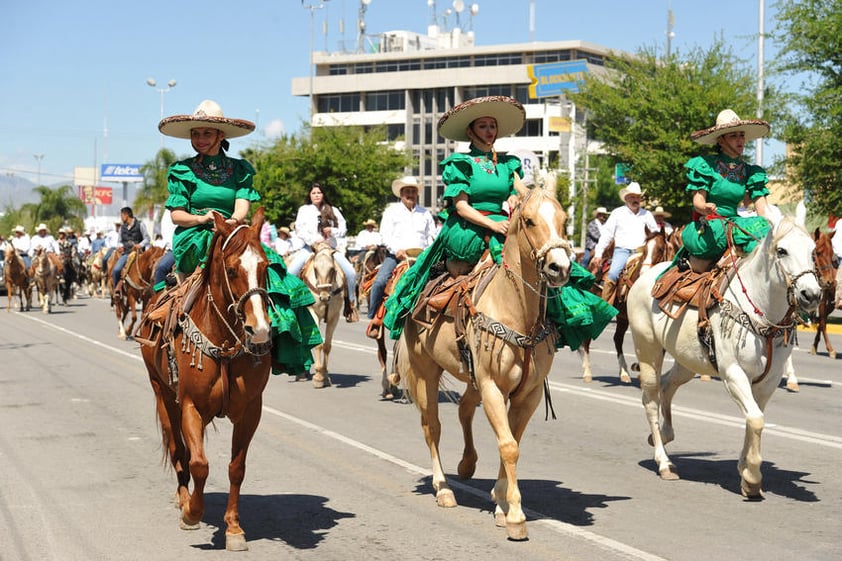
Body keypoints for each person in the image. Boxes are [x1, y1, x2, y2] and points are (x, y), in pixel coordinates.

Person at [383, 95, 616, 350]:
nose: (489, 131)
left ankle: (546, 326)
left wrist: (519, 200)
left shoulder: (507, 165)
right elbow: (461, 207)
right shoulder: (462, 163)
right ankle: (454, 321)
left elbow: (518, 193)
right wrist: (492, 225)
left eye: (492, 126)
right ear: (471, 132)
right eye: (482, 126)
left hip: (504, 224)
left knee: (537, 262)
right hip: (469, 227)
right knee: (483, 263)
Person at [157, 99, 321, 375]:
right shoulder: (182, 171)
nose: (199, 139)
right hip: (196, 234)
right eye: (195, 133)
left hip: (232, 231)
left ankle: (278, 335)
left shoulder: (240, 170)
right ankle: (167, 324)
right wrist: (203, 218)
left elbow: (243, 205)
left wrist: (232, 221)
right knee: (165, 269)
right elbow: (177, 215)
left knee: (271, 266)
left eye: (207, 133)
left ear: (221, 136)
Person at [677, 109, 773, 271]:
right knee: (723, 233)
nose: (740, 140)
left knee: (765, 229)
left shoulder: (752, 172)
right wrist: (705, 208)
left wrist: (768, 225)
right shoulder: (705, 165)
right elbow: (698, 202)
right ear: (721, 141)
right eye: (733, 136)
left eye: (741, 135)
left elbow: (762, 210)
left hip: (734, 223)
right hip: (711, 225)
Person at [367, 176, 435, 326]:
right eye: (407, 191)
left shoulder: (425, 213)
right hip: (397, 256)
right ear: (401, 194)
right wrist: (396, 250)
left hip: (421, 258)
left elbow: (432, 236)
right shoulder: (391, 212)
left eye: (413, 191)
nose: (410, 194)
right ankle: (373, 318)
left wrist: (428, 251)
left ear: (417, 193)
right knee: (379, 281)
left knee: (440, 282)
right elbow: (385, 234)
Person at [287, 182, 359, 322]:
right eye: (313, 193)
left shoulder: (333, 210)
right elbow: (300, 229)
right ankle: (288, 306)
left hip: (330, 249)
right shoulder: (304, 210)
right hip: (310, 249)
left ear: (323, 194)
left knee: (351, 273)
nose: (316, 195)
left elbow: (343, 229)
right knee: (290, 273)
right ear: (310, 195)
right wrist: (313, 241)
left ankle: (350, 305)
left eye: (319, 193)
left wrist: (332, 231)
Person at [591, 182, 658, 302]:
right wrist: (598, 254)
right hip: (622, 251)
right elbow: (607, 234)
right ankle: (605, 306)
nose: (635, 200)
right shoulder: (617, 213)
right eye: (632, 197)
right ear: (626, 198)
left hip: (643, 252)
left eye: (637, 197)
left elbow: (656, 234)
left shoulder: (647, 215)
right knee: (613, 274)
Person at [110, 206, 151, 297]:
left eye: (122, 215)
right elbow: (119, 241)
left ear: (127, 215)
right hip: (126, 253)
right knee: (116, 270)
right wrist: (120, 247)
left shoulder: (140, 224)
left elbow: (147, 238)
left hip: (139, 253)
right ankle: (117, 290)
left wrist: (140, 245)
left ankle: (150, 288)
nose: (121, 218)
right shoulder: (122, 228)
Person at [151, 209, 176, 289]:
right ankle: (158, 297)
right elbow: (167, 233)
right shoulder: (168, 211)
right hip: (175, 248)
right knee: (161, 267)